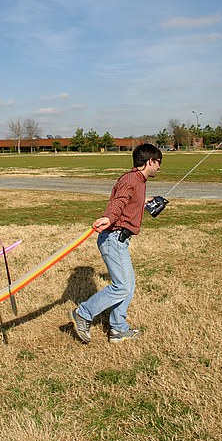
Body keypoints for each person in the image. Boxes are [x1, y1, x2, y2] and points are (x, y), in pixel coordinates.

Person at [69, 143, 163, 343]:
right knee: (122, 286)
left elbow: (130, 201)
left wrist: (146, 202)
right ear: (149, 161)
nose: (159, 168)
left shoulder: (138, 180)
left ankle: (118, 329)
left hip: (119, 239)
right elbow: (118, 202)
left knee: (127, 285)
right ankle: (83, 313)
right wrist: (109, 218)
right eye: (158, 163)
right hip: (113, 238)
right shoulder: (131, 180)